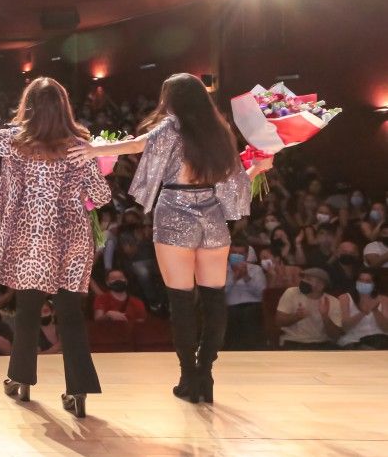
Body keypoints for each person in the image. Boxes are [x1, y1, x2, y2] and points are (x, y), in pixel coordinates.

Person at [71, 74, 271, 404]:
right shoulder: (219, 132)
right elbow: (234, 184)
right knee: (213, 299)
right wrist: (258, 169)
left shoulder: (171, 127)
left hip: (175, 213)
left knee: (180, 302)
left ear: (172, 98)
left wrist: (96, 149)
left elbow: (137, 144)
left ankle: (188, 377)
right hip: (212, 217)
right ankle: (205, 375)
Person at [0, 78, 110, 418]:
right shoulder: (79, 146)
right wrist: (79, 196)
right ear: (63, 107)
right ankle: (79, 392)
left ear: (29, 106)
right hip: (73, 240)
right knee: (71, 315)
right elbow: (101, 196)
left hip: (33, 240)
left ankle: (21, 381)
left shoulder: (15, 141)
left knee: (27, 310)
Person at [276, 268, 343, 348]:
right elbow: (278, 322)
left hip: (321, 343)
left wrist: (325, 316)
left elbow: (335, 336)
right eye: (304, 278)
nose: (303, 281)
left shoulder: (333, 302)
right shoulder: (291, 293)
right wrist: (296, 317)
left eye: (308, 279)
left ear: (320, 286)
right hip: (293, 340)